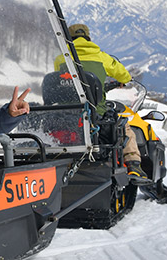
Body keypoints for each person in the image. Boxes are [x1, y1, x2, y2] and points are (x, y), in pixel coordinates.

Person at [54, 23, 150, 182]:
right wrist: (117, 81)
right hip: (96, 113)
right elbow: (125, 76)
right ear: (88, 37)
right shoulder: (102, 57)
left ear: (68, 38)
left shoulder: (60, 58)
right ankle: (134, 165)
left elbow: (62, 80)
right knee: (123, 125)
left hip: (66, 112)